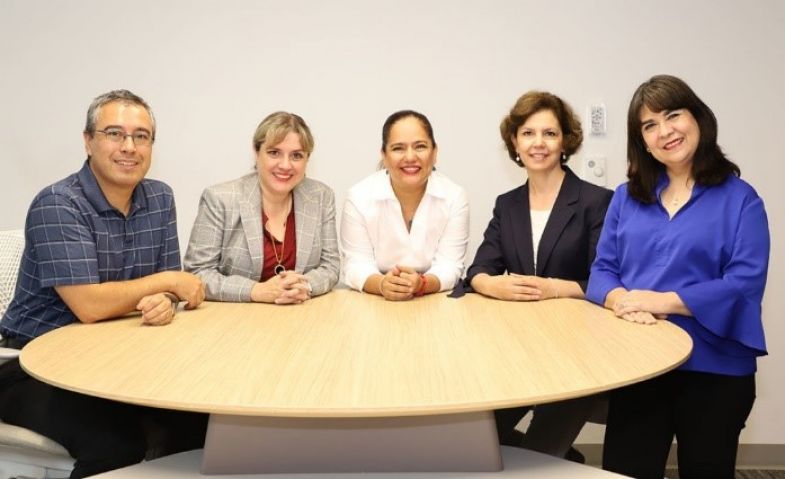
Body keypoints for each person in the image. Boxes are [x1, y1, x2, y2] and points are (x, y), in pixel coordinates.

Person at [0, 90, 207, 478]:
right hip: (31, 365)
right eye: (114, 133)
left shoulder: (160, 198)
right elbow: (90, 305)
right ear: (88, 141)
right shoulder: (58, 204)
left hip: (117, 361)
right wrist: (167, 282)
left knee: (201, 422)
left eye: (141, 136)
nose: (129, 147)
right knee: (115, 444)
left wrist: (164, 299)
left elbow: (169, 289)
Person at [587, 75, 769, 479]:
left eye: (673, 115)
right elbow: (602, 270)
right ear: (642, 141)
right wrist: (623, 302)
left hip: (715, 366)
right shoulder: (626, 197)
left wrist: (659, 301)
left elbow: (744, 283)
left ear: (698, 118)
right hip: (639, 361)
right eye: (649, 125)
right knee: (625, 471)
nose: (665, 131)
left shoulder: (742, 199)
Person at [451, 91, 612, 461]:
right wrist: (492, 284)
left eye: (549, 133)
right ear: (514, 142)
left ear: (565, 141)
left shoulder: (596, 201)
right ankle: (567, 460)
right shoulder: (507, 204)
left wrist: (553, 288)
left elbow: (606, 283)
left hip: (576, 355)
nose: (538, 143)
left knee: (540, 454)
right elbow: (478, 270)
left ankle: (559, 459)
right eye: (527, 133)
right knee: (469, 439)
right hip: (518, 352)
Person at [184, 112, 339, 303]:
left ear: (307, 159)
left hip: (299, 313)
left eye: (296, 156)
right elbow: (197, 274)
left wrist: (304, 286)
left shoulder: (321, 196)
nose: (285, 165)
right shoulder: (220, 199)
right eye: (274, 153)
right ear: (257, 152)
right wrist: (256, 291)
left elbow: (330, 266)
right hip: (235, 316)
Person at [341, 110, 468, 299]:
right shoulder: (358, 197)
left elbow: (450, 265)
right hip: (374, 299)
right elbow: (355, 265)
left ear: (435, 153)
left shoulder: (454, 196)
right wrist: (383, 285)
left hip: (434, 299)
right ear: (384, 155)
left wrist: (421, 284)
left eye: (420, 146)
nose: (410, 157)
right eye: (398, 148)